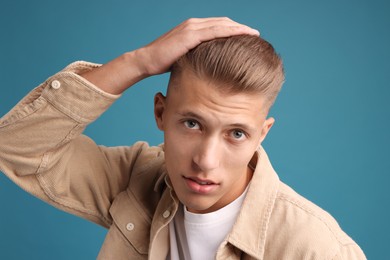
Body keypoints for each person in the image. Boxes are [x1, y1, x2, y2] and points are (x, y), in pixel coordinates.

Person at [0, 17, 365, 259]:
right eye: (192, 124)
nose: (206, 160)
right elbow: (16, 144)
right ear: (160, 113)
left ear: (261, 134)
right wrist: (138, 62)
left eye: (236, 134)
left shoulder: (315, 247)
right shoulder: (137, 178)